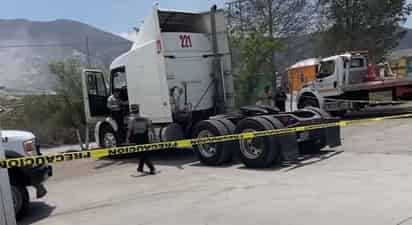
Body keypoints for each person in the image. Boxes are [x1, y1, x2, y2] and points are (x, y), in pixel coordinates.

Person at [126, 104, 157, 175]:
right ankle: (140, 168)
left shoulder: (131, 119)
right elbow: (151, 127)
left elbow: (129, 130)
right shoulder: (145, 117)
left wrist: (127, 139)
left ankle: (152, 168)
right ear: (138, 109)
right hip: (145, 136)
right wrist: (155, 136)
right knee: (143, 152)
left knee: (142, 153)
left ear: (132, 110)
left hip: (138, 137)